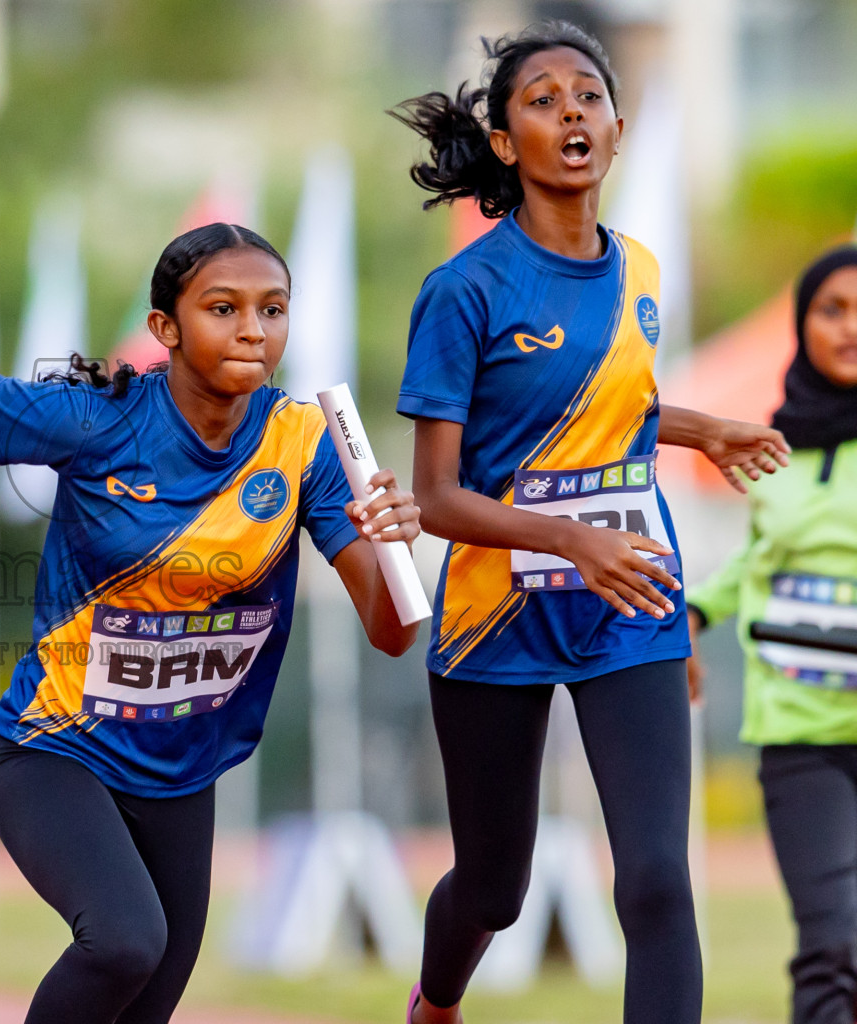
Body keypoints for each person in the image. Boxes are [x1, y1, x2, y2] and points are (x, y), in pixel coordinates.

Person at [0, 222, 424, 1024]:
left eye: (274, 309)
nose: (254, 328)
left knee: (144, 1001)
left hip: (182, 772)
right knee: (123, 941)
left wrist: (392, 549)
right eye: (224, 308)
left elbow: (391, 632)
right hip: (55, 748)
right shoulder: (99, 421)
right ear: (166, 329)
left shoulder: (306, 446)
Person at [390, 21, 791, 1024]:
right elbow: (436, 495)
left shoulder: (641, 270)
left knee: (657, 877)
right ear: (501, 138)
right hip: (495, 620)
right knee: (493, 887)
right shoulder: (464, 291)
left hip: (631, 604)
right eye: (543, 97)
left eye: (589, 95)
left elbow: (615, 409)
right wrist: (572, 538)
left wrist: (699, 431)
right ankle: (436, 1002)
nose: (572, 111)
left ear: (615, 128)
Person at [688, 245, 857, 1024]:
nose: (851, 329)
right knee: (831, 943)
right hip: (800, 737)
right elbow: (756, 560)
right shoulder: (774, 450)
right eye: (833, 310)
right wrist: (690, 616)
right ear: (803, 326)